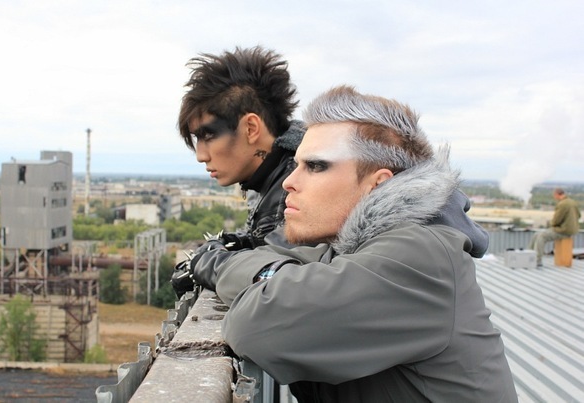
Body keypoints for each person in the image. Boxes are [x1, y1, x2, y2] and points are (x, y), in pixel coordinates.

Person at [208, 86, 518, 402]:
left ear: (377, 184)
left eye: (315, 166)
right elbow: (267, 256)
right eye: (297, 164)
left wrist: (259, 274)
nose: (289, 181)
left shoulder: (421, 255)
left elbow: (255, 327)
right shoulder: (356, 247)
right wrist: (248, 269)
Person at [171, 46, 306, 296]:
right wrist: (234, 243)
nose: (201, 155)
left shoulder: (300, 185)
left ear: (251, 128)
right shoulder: (274, 175)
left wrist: (205, 263)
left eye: (208, 135)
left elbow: (281, 282)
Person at [529, 188, 581, 267]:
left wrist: (552, 224)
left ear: (556, 194)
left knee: (541, 236)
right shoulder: (572, 202)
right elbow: (579, 215)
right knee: (536, 234)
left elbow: (556, 220)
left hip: (563, 231)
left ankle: (537, 260)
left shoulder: (562, 204)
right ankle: (529, 255)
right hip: (571, 230)